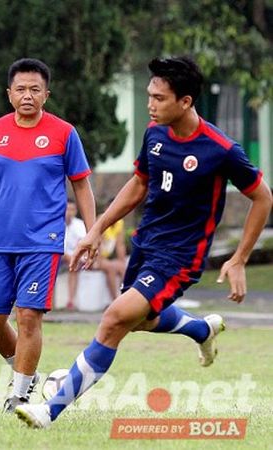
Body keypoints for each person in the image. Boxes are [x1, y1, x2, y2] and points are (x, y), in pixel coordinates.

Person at [16, 56, 272, 428]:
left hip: (181, 256)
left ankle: (49, 410)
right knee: (140, 320)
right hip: (146, 245)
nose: (150, 104)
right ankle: (202, 329)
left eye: (159, 98)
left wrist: (239, 258)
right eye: (149, 95)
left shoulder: (221, 150)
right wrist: (97, 229)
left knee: (115, 318)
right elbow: (138, 184)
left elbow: (263, 197)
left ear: (185, 101)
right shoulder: (155, 134)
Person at [0, 58, 96, 412]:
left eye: (35, 89)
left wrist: (91, 232)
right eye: (21, 89)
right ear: (9, 94)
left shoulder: (64, 133)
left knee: (27, 316)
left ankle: (19, 394)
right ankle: (26, 371)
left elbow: (81, 186)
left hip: (43, 242)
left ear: (46, 94)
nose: (27, 95)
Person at [62, 200, 87, 310]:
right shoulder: (57, 224)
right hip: (59, 256)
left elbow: (82, 244)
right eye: (67, 209)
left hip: (75, 257)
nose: (69, 212)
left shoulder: (79, 224)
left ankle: (71, 300)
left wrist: (78, 258)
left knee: (73, 267)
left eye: (72, 209)